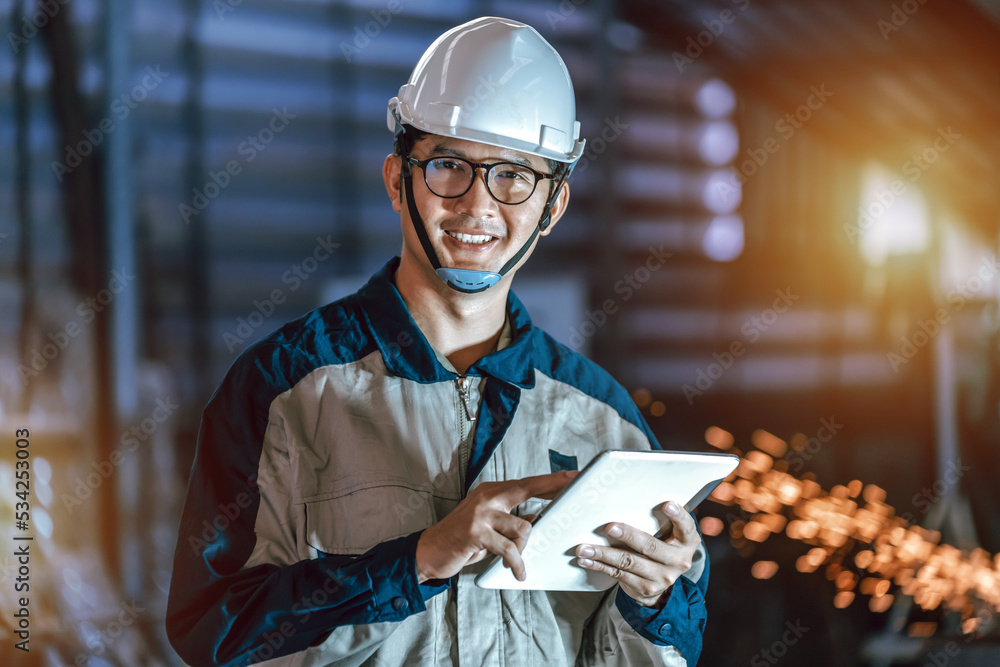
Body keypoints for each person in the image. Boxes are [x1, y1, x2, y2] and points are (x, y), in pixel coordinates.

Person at [166, 16, 708, 667]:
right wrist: (420, 559)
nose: (479, 205)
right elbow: (210, 630)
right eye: (449, 166)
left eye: (514, 176)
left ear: (553, 206)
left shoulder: (604, 420)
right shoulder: (282, 388)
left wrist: (654, 601)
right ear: (399, 180)